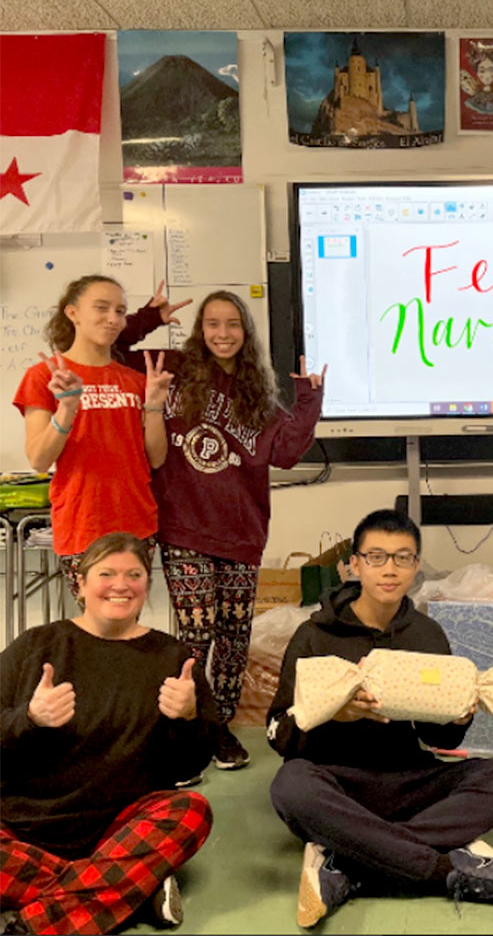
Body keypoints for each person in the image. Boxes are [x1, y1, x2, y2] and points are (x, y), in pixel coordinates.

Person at [266, 508, 493, 929]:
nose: (389, 570)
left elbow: (438, 738)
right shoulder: (315, 635)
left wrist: (459, 713)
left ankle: (352, 861)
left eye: (402, 558)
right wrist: (334, 716)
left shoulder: (426, 634)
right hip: (336, 782)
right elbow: (278, 733)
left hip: (410, 780)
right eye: (376, 557)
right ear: (353, 564)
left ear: (415, 566)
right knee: (291, 786)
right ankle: (441, 870)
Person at [117, 289, 324, 773]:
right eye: (212, 324)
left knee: (233, 638)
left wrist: (310, 397)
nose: (222, 334)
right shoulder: (175, 368)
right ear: (200, 330)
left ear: (245, 333)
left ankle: (221, 727)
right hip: (184, 528)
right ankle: (188, 725)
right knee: (196, 634)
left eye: (232, 325)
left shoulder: (259, 399)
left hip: (242, 535)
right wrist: (147, 318)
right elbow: (111, 351)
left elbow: (288, 453)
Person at [0, 532, 216, 935]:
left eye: (134, 574)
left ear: (146, 585)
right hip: (23, 827)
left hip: (119, 831)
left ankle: (35, 923)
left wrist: (186, 718)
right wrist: (27, 719)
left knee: (191, 810)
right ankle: (125, 890)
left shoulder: (172, 657)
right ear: (80, 583)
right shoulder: (36, 645)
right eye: (106, 573)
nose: (121, 585)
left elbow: (190, 764)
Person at [12, 275, 182, 594]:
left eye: (120, 311)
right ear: (72, 312)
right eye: (101, 308)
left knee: (128, 626)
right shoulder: (45, 376)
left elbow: (155, 458)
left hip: (137, 522)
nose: (113, 319)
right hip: (82, 523)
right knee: (94, 631)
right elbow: (38, 458)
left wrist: (155, 406)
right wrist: (67, 408)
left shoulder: (134, 379)